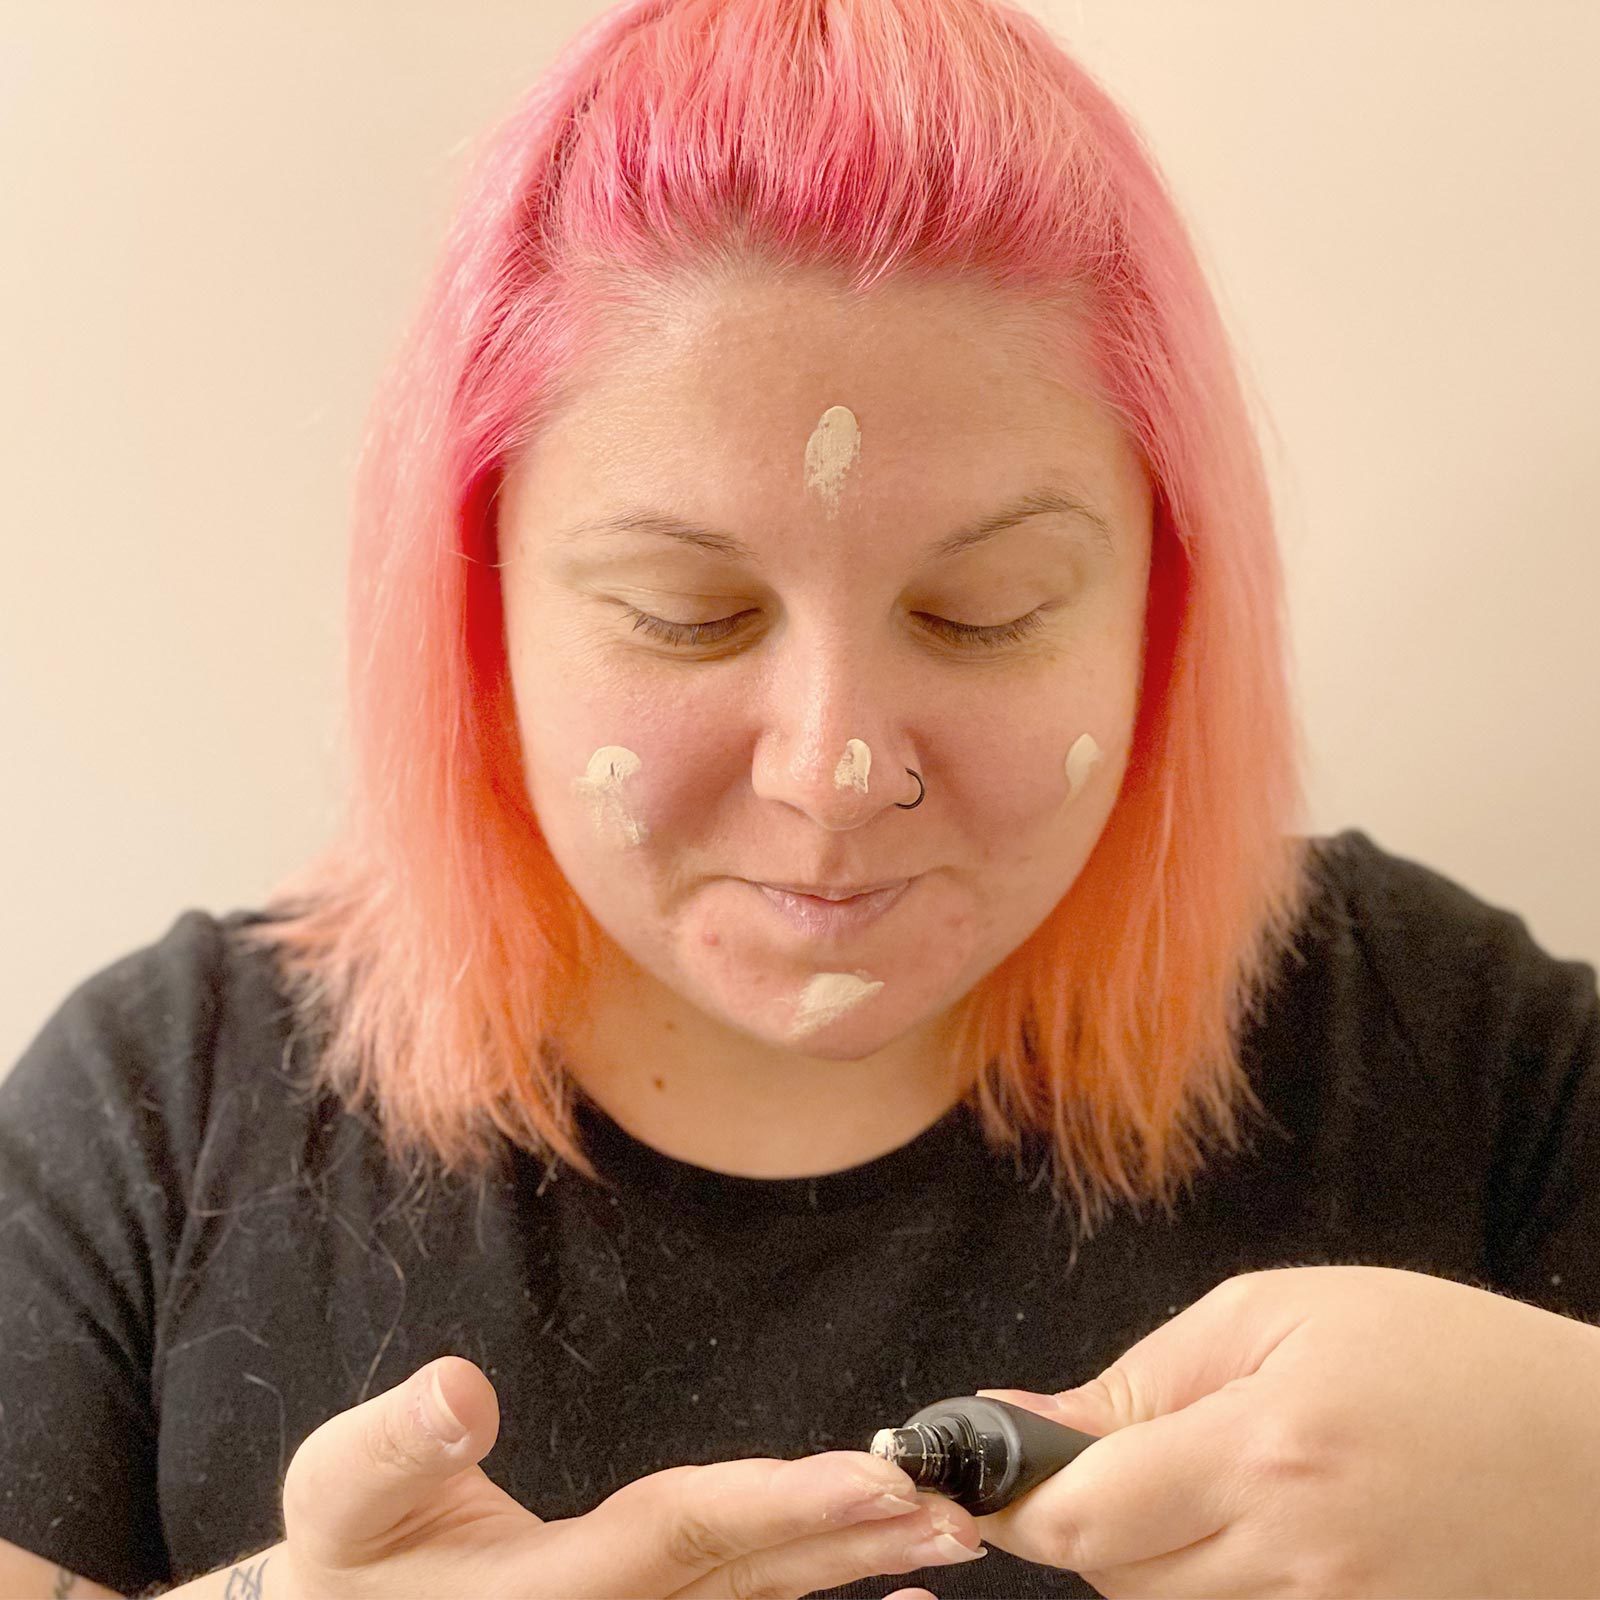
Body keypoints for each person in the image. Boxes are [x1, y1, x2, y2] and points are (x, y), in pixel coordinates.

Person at [3, 0, 1597, 1596]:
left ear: (1160, 602)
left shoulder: (1453, 1059)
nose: (834, 776)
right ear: (477, 606)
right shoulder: (160, 1123)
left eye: (985, 610)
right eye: (686, 616)